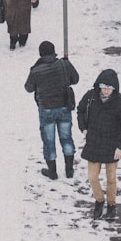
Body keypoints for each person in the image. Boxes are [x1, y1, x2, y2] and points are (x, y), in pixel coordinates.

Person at [77, 69, 121, 220]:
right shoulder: (91, 97)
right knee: (92, 177)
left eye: (109, 88)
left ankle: (111, 205)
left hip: (112, 146)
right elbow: (80, 110)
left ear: (114, 88)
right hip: (94, 143)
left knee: (111, 179)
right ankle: (99, 200)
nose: (106, 91)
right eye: (103, 87)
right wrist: (83, 128)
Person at [24, 41, 80, 180]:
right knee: (66, 137)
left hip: (46, 109)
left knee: (49, 140)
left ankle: (53, 171)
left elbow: (28, 88)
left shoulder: (36, 70)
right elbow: (76, 79)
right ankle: (69, 170)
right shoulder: (63, 64)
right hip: (64, 106)